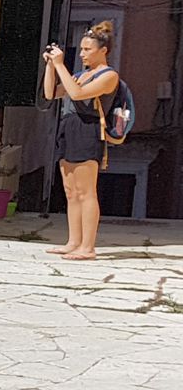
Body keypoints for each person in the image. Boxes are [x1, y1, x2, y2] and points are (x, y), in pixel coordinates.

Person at [43, 22, 120, 261]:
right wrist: (51, 67)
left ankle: (88, 247)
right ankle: (73, 241)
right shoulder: (77, 75)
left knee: (87, 192)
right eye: (82, 49)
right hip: (68, 127)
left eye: (88, 49)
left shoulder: (108, 76)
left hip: (88, 131)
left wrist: (60, 65)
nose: (82, 53)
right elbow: (50, 93)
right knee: (71, 191)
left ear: (103, 50)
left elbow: (76, 94)